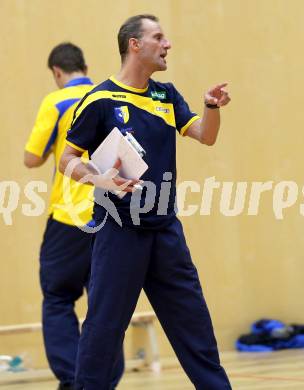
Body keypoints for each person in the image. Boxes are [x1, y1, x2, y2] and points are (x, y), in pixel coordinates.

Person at [60, 14, 232, 390]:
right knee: (104, 330)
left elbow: (205, 136)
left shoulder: (165, 95)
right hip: (119, 231)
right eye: (158, 37)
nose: (167, 43)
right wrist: (95, 177)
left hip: (165, 230)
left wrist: (211, 107)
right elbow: (66, 159)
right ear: (134, 45)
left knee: (194, 326)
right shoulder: (101, 100)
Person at [24, 43, 124, 390]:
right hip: (110, 214)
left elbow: (32, 158)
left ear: (56, 72)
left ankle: (73, 379)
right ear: (85, 64)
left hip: (68, 217)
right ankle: (104, 381)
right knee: (106, 302)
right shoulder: (108, 96)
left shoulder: (56, 101)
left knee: (58, 298)